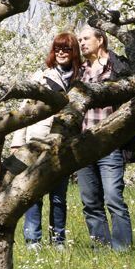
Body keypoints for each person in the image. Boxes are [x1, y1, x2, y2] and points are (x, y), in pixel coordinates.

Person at [10, 32, 82, 246]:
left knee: (59, 196)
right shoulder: (41, 77)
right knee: (34, 193)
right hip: (39, 138)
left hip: (68, 142)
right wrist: (17, 139)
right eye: (57, 48)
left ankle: (58, 240)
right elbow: (25, 109)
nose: (61, 52)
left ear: (74, 52)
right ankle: (33, 240)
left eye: (66, 48)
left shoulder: (81, 78)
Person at [75, 25, 133, 250]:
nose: (81, 43)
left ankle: (121, 250)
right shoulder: (80, 71)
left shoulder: (118, 67)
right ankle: (101, 249)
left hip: (110, 144)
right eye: (79, 40)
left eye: (86, 38)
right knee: (90, 201)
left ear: (101, 40)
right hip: (84, 145)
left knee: (113, 198)